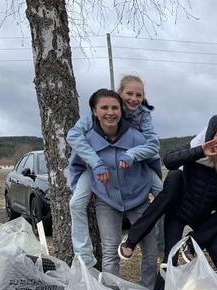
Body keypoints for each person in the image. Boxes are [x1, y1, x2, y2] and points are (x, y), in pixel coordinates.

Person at [121, 114, 217, 290]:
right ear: (210, 134)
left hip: (202, 217)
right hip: (178, 213)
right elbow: (170, 160)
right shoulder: (196, 148)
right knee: (169, 260)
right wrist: (201, 150)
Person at [66, 75, 162, 268]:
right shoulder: (94, 121)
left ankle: (164, 248)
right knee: (76, 203)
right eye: (129, 93)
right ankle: (84, 256)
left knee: (162, 193)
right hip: (96, 169)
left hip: (136, 163)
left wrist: (133, 154)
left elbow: (153, 145)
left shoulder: (143, 115)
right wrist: (96, 164)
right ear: (119, 94)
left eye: (138, 95)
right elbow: (73, 136)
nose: (133, 98)